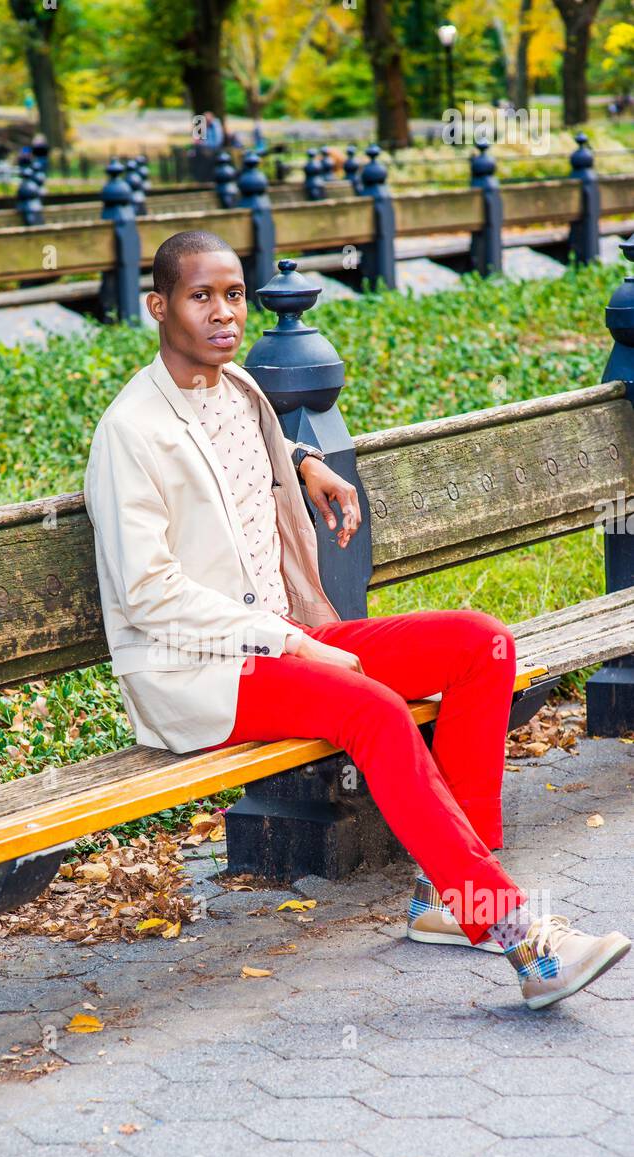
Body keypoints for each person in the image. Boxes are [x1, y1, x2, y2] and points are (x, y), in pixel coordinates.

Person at [83, 229, 630, 1011]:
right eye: (200, 296)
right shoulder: (130, 432)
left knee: (481, 644)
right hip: (198, 670)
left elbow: (250, 463)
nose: (222, 313)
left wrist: (305, 466)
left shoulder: (239, 392)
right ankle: (514, 932)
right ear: (157, 306)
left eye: (232, 294)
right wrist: (292, 644)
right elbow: (145, 593)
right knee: (371, 709)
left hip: (283, 635)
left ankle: (445, 896)